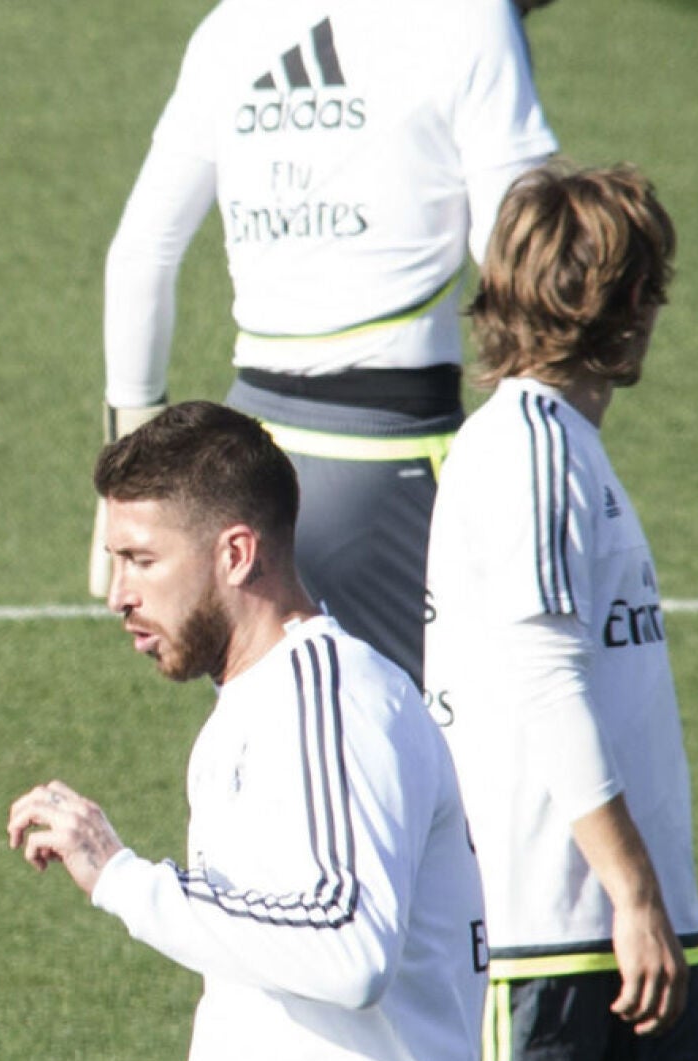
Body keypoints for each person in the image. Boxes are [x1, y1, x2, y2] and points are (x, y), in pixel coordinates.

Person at [12, 402, 489, 1061]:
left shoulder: (332, 697)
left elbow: (350, 950)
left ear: (235, 553)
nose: (118, 593)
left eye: (141, 559)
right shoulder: (250, 707)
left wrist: (123, 878)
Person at [96, 0, 557, 685]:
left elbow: (142, 255)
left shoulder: (233, 26)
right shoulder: (467, 17)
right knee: (437, 749)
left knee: (269, 737)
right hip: (391, 459)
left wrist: (125, 491)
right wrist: (548, 436)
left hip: (241, 461)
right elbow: (524, 252)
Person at [422, 164, 698, 1061]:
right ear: (628, 298)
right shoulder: (533, 447)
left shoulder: (558, 447)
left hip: (608, 939)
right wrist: (632, 894)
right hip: (559, 938)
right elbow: (545, 676)